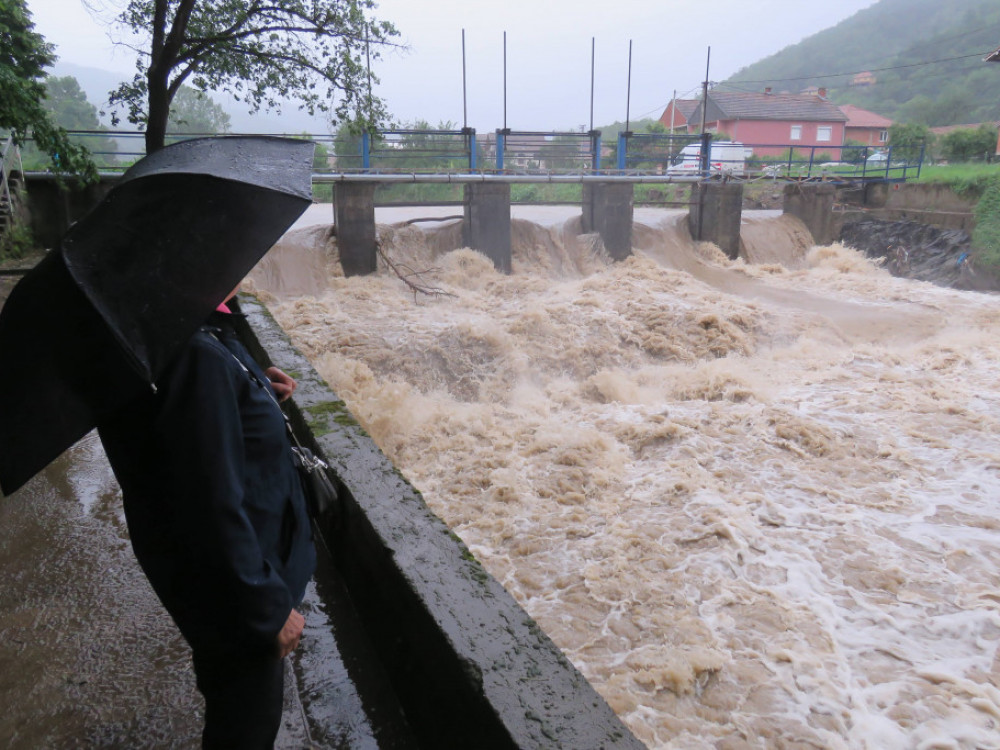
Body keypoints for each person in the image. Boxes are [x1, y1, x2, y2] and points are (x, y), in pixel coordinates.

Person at [97, 289, 317, 749]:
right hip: (240, 590)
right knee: (246, 726)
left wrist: (254, 389)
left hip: (228, 580)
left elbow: (195, 440)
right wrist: (267, 608)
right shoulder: (195, 352)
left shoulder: (179, 332)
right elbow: (204, 498)